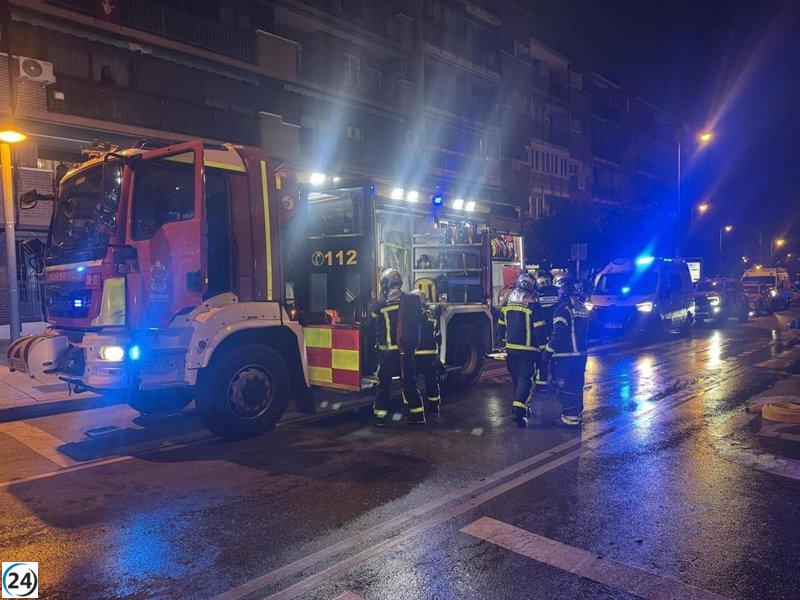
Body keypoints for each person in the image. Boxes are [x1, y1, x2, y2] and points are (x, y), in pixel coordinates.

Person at [372, 268, 426, 427]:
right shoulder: (411, 301)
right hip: (405, 351)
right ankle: (417, 415)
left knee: (384, 385)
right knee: (409, 382)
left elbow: (370, 323)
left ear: (387, 284)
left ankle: (380, 418)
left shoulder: (381, 304)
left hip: (387, 353)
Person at [498, 272, 548, 427]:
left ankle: (521, 405)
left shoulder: (507, 301)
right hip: (528, 349)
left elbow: (501, 325)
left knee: (517, 378)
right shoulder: (533, 302)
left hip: (511, 349)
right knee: (526, 379)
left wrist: (503, 342)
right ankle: (519, 408)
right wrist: (543, 348)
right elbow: (539, 328)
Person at [545, 276, 590, 427]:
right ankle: (575, 414)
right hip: (581, 355)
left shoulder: (563, 308)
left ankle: (569, 417)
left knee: (565, 386)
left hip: (565, 356)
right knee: (577, 385)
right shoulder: (581, 307)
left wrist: (547, 351)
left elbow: (558, 333)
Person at [415, 302, 442, 414]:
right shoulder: (432, 317)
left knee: (410, 381)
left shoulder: (412, 315)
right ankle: (435, 405)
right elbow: (438, 336)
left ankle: (412, 407)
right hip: (431, 353)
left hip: (416, 354)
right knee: (431, 379)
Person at [535, 274, 560, 390]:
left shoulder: (536, 294)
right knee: (555, 355)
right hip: (555, 328)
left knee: (543, 356)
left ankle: (542, 383)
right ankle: (556, 379)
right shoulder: (557, 293)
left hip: (542, 329)